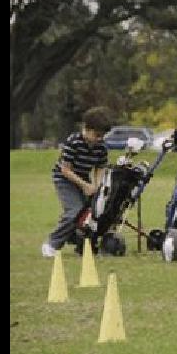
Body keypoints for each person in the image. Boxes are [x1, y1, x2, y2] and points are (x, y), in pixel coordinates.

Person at [41, 106, 113, 257]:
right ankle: (52, 244)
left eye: (103, 136)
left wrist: (97, 185)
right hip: (64, 179)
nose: (100, 139)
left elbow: (100, 168)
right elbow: (65, 170)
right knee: (75, 211)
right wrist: (85, 186)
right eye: (97, 135)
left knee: (90, 211)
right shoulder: (73, 142)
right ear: (86, 128)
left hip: (84, 178)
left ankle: (80, 242)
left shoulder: (101, 147)